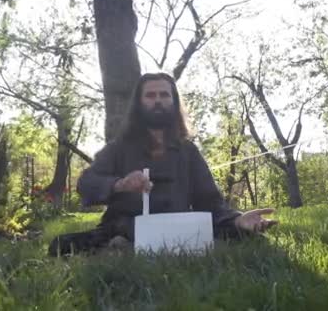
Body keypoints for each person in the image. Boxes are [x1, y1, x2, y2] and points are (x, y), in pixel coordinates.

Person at [48, 72, 278, 256]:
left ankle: (131, 252)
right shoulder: (119, 148)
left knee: (246, 235)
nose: (157, 100)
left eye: (164, 95)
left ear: (174, 102)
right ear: (139, 103)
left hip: (176, 228)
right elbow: (86, 183)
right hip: (126, 228)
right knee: (62, 245)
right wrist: (119, 184)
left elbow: (211, 202)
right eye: (150, 95)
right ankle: (125, 248)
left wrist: (237, 219)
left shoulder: (188, 151)